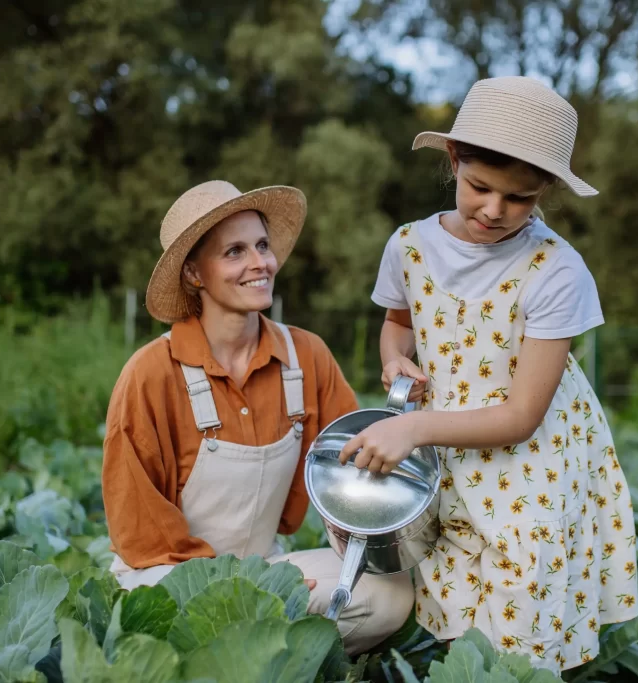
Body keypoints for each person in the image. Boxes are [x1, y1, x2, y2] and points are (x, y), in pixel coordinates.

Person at [336, 77, 638, 671]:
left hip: (532, 465)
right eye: (480, 187)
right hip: (449, 459)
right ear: (453, 161)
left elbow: (523, 416)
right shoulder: (408, 247)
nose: (494, 210)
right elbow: (398, 323)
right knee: (462, 621)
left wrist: (416, 428)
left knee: (522, 617)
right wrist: (393, 360)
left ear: (545, 190)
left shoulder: (557, 271)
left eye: (520, 198)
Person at [101, 180, 414, 655]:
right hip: (170, 576)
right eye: (234, 252)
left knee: (391, 594)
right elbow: (140, 533)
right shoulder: (150, 373)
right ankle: (270, 646)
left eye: (262, 246)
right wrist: (241, 590)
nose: (260, 264)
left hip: (264, 566)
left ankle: (257, 648)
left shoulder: (306, 355)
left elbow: (353, 466)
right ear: (194, 274)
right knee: (167, 614)